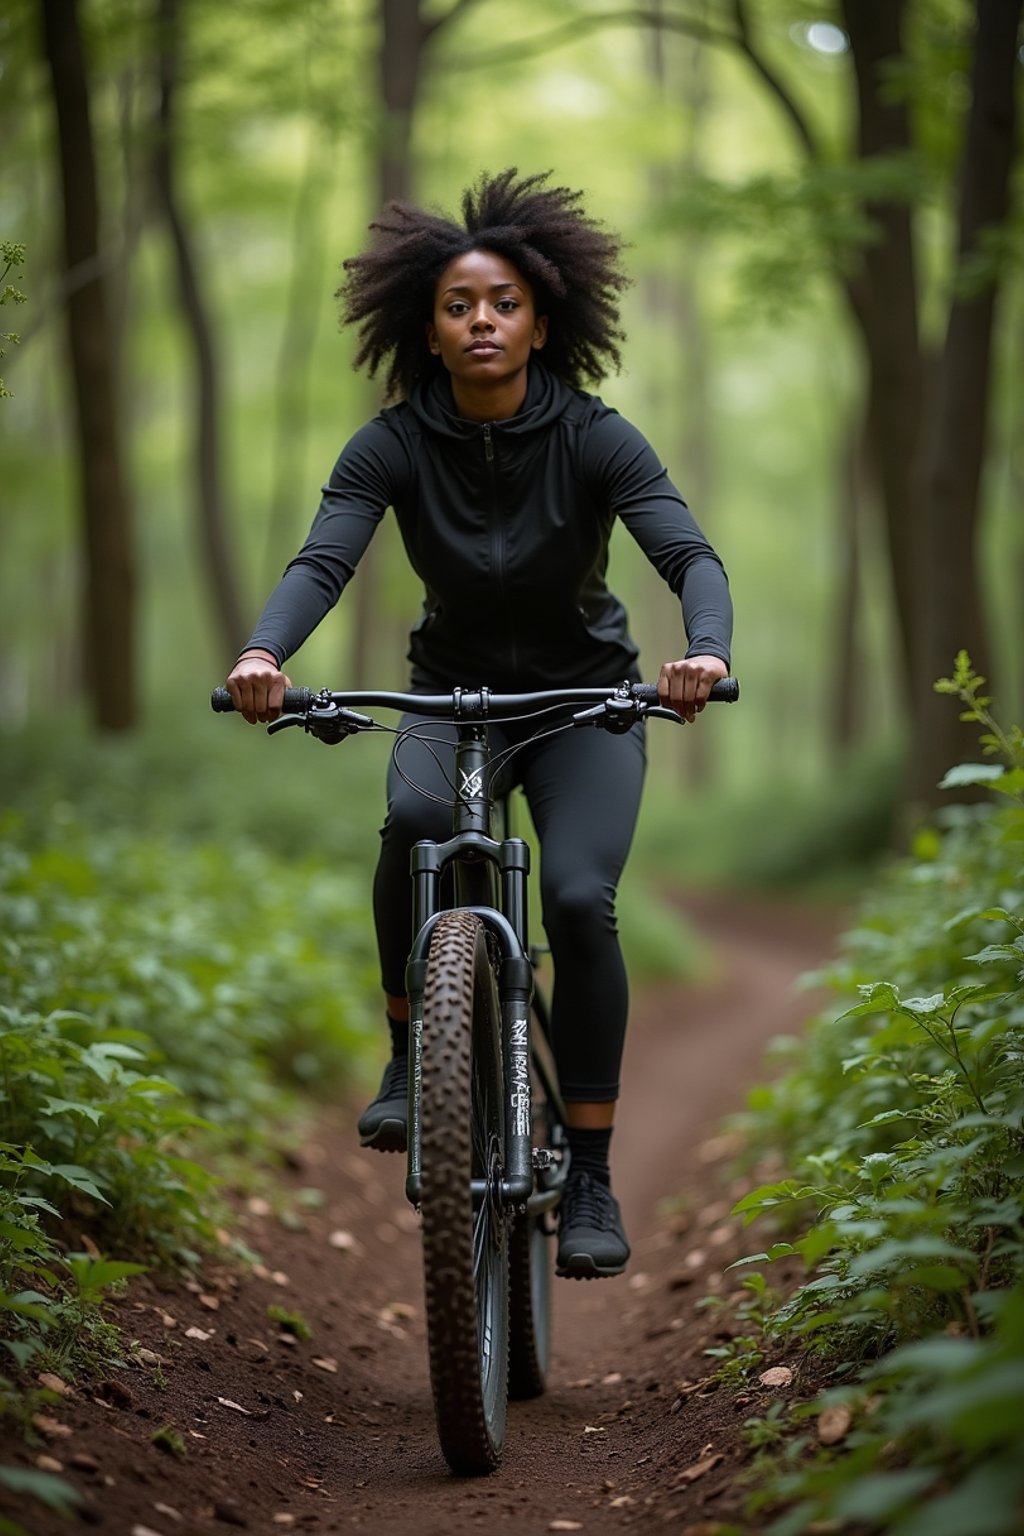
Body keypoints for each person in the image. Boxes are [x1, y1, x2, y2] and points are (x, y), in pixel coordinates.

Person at [226, 169, 732, 1281]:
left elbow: (687, 553)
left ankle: (589, 1173)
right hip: (449, 692)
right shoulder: (391, 445)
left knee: (577, 898)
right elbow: (324, 558)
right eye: (459, 305)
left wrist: (702, 649)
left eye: (502, 301)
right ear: (430, 330)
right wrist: (267, 652)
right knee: (412, 824)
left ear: (541, 321)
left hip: (582, 701)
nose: (482, 320)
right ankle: (413, 1056)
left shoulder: (598, 437)